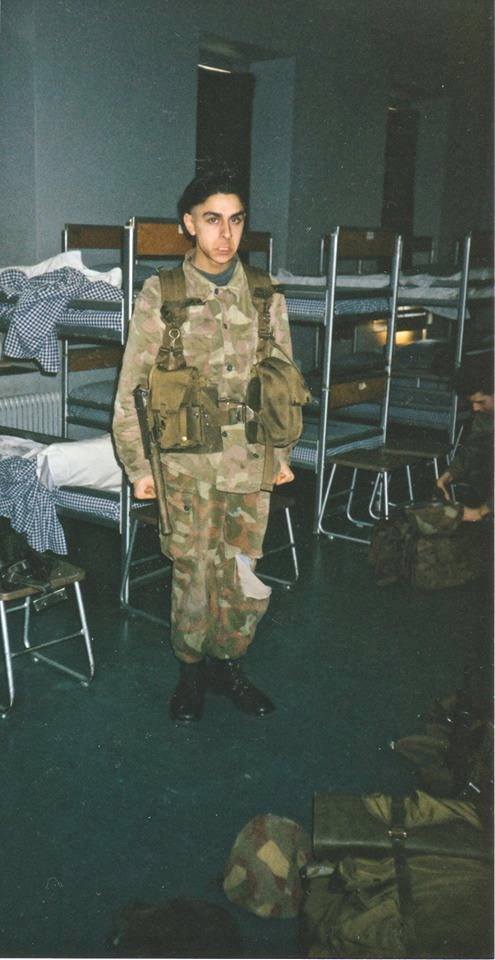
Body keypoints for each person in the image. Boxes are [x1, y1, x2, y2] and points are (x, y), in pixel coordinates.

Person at [113, 171, 295, 723]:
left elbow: (283, 381)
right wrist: (138, 467)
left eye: (236, 220)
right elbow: (132, 389)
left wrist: (283, 456)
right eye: (212, 219)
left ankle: (229, 665)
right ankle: (191, 671)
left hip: (251, 458)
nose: (226, 233)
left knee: (241, 568)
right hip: (185, 464)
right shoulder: (163, 292)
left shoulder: (265, 293)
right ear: (189, 224)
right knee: (192, 571)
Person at [436, 354, 493, 522]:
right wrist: (447, 476)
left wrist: (480, 512)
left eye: (481, 402)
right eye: (471, 403)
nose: (475, 408)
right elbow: (473, 451)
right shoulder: (486, 417)